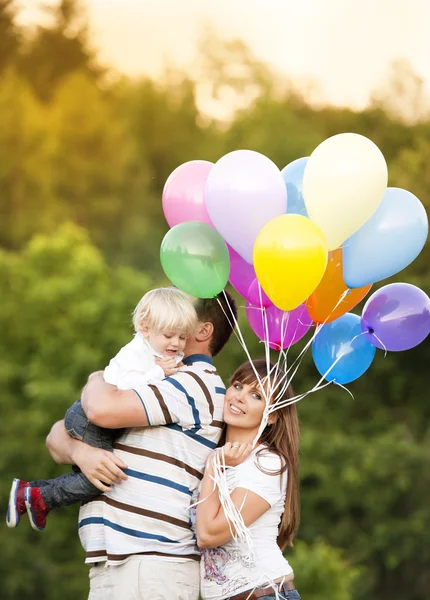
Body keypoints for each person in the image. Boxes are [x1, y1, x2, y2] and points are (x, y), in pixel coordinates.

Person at [44, 291, 237, 600]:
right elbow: (58, 434)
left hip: (150, 560)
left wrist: (97, 378)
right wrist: (82, 453)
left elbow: (99, 409)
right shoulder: (150, 376)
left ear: (201, 330)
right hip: (121, 559)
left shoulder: (193, 381)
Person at [7, 287, 198, 531]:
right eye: (169, 335)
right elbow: (123, 388)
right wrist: (159, 372)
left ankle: (33, 495)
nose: (176, 343)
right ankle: (37, 496)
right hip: (89, 419)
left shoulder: (157, 352)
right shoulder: (134, 353)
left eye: (182, 337)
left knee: (93, 474)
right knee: (102, 477)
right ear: (145, 327)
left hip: (98, 421)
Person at [194, 359, 301, 600]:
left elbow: (208, 535)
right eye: (239, 385)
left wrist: (214, 466)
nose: (240, 397)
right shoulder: (210, 451)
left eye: (256, 395)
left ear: (272, 416)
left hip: (264, 594)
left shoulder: (267, 464)